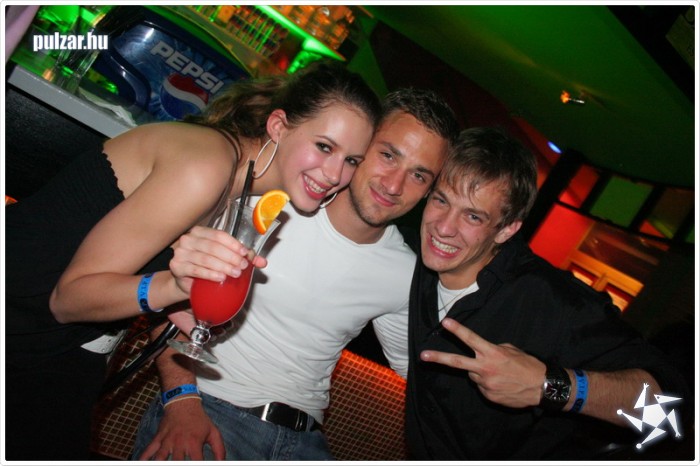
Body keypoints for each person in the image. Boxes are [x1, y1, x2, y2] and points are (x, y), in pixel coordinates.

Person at [4, 60, 381, 461]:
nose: (334, 174)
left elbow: (131, 270)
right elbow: (67, 300)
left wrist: (178, 316)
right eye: (324, 147)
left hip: (58, 346)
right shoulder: (207, 165)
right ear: (278, 126)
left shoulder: (236, 187)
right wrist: (173, 287)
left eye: (352, 160)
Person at [131, 88, 460, 460]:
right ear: (363, 145)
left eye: (419, 175)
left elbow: (422, 373)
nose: (394, 185)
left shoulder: (405, 273)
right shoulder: (266, 204)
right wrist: (180, 400)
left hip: (307, 443)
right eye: (388, 155)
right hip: (211, 410)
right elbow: (167, 289)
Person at [405, 127, 690, 460]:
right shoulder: (411, 257)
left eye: (472, 216)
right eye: (441, 200)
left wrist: (550, 386)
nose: (443, 227)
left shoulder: (554, 302)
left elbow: (668, 413)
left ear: (507, 229)